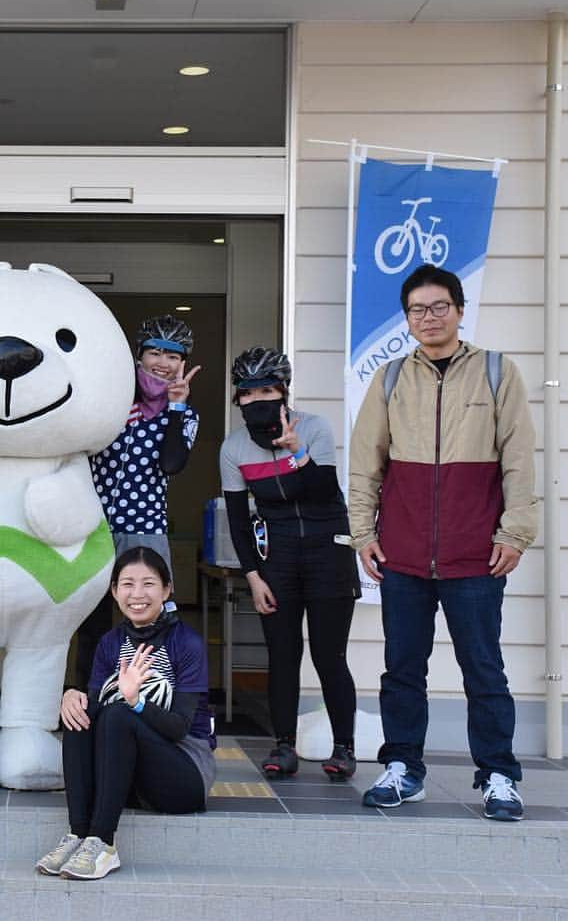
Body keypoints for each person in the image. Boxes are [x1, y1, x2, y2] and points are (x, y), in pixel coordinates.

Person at [350, 264, 537, 821]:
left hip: (477, 553)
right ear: (406, 319)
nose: (428, 318)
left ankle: (499, 774)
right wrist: (363, 532)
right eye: (416, 310)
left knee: (484, 668)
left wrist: (516, 532)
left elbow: (520, 462)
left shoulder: (499, 373)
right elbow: (366, 465)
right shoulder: (388, 379)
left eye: (438, 307)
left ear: (458, 309)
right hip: (402, 554)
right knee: (402, 668)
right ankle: (403, 768)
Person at [219, 347, 359, 780]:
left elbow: (321, 491)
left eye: (267, 390)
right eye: (248, 392)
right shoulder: (234, 448)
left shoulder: (314, 428)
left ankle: (344, 748)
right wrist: (253, 576)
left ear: (283, 392)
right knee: (282, 655)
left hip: (328, 552)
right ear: (237, 399)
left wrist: (298, 452)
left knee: (329, 655)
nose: (258, 399)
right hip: (276, 559)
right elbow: (239, 523)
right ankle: (284, 745)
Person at [37, 546, 215, 880]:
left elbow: (178, 728)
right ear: (114, 591)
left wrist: (136, 702)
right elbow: (94, 715)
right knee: (80, 712)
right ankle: (79, 836)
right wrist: (72, 698)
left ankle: (103, 844)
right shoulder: (110, 643)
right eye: (127, 584)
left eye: (148, 584)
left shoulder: (186, 643)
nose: (137, 594)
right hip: (130, 775)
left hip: (183, 776)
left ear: (166, 589)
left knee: (120, 713)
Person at [77, 315, 200, 685]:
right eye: (155, 353)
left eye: (173, 356)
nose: (163, 363)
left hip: (146, 529)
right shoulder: (113, 402)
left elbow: (172, 463)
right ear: (139, 355)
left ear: (182, 364)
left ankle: (156, 704)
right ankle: (89, 703)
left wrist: (176, 408)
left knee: (151, 622)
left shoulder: (184, 415)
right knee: (92, 624)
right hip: (93, 529)